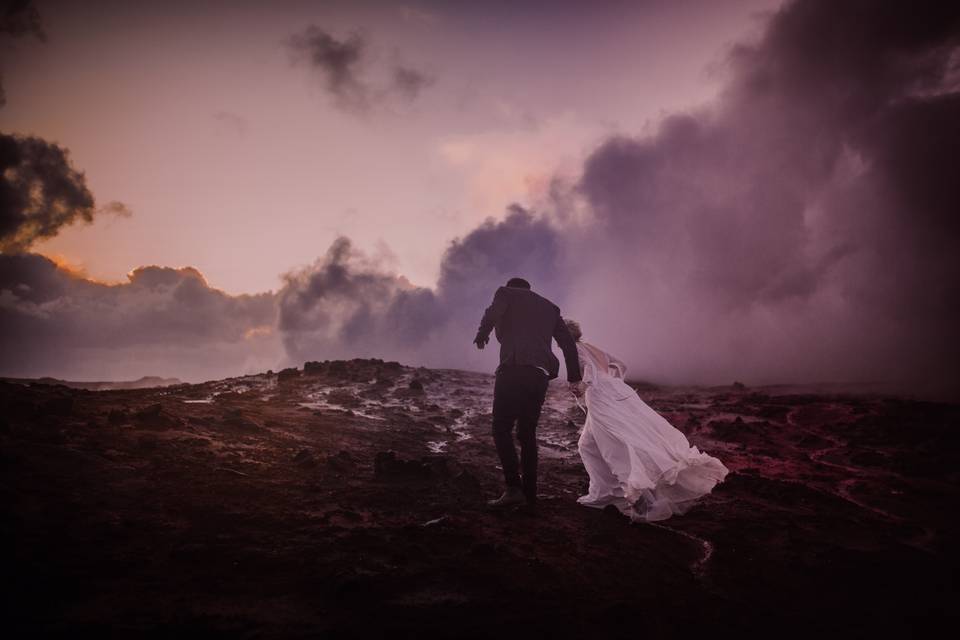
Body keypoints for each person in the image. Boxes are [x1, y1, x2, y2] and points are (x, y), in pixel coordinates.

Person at [566, 319, 729, 522]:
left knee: (614, 445)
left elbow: (589, 369)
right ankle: (605, 493)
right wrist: (613, 382)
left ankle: (638, 499)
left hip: (600, 396)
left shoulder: (573, 349)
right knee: (587, 445)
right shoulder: (592, 346)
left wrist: (584, 385)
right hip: (615, 390)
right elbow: (621, 365)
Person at [474, 277, 584, 509]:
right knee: (527, 433)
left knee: (501, 428)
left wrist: (482, 333)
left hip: (513, 369)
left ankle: (514, 489)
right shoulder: (550, 307)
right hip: (539, 375)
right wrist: (574, 377)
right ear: (529, 290)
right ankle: (530, 495)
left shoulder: (506, 293)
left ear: (512, 287)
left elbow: (492, 313)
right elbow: (568, 345)